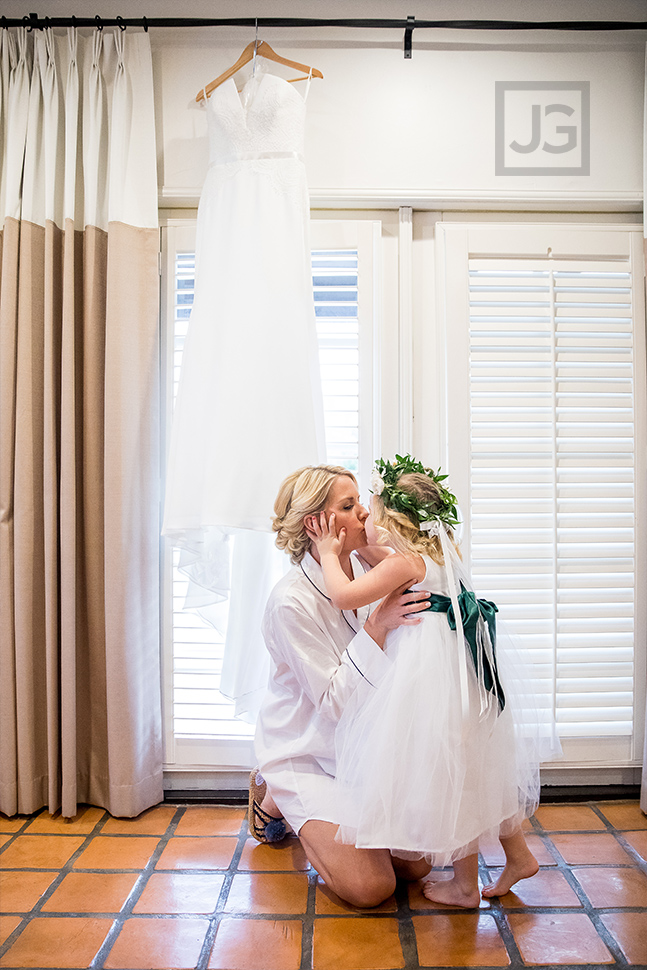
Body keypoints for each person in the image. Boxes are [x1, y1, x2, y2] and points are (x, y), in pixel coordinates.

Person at [309, 455, 554, 907]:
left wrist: (328, 553)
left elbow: (344, 597)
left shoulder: (405, 563)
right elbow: (380, 559)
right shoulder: (438, 556)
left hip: (431, 684)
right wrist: (365, 547)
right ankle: (516, 855)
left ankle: (465, 887)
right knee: (475, 769)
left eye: (374, 512)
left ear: (396, 522)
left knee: (448, 775)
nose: (366, 518)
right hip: (463, 679)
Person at [253, 464, 432, 908]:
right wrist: (376, 625)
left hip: (357, 750)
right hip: (308, 751)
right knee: (372, 889)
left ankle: (306, 812)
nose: (366, 515)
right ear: (317, 523)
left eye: (361, 503)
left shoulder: (360, 568)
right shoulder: (291, 603)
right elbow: (333, 703)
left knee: (418, 866)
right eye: (350, 507)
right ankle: (276, 793)